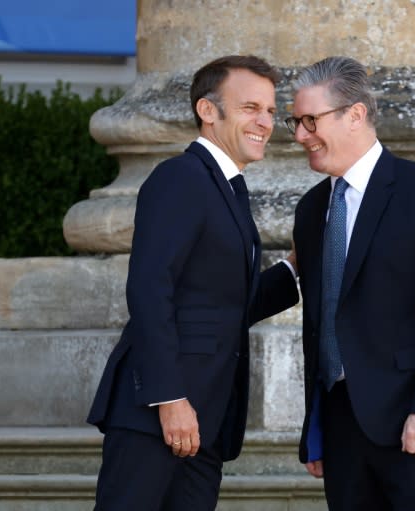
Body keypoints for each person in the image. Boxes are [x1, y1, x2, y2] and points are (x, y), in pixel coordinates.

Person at [86, 55, 299, 511]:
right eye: (250, 108)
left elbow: (222, 304)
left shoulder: (226, 189)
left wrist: (295, 272)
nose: (265, 122)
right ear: (208, 110)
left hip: (206, 418)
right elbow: (149, 289)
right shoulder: (180, 178)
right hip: (161, 411)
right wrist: (170, 397)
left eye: (269, 111)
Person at [286, 56, 415, 510]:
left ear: (355, 114)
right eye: (295, 122)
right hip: (342, 430)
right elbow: (320, 325)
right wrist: (316, 427)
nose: (300, 135)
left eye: (310, 120)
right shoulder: (311, 208)